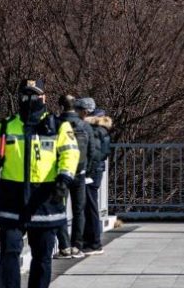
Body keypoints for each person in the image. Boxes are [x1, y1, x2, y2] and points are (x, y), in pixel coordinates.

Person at [0, 80, 79, 288]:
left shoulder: (58, 126)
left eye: (35, 95)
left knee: (42, 256)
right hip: (12, 199)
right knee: (9, 252)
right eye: (26, 95)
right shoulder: (5, 126)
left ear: (44, 98)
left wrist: (64, 180)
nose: (30, 100)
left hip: (45, 200)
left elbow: (70, 154)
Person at [53, 94, 97, 259]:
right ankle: (77, 246)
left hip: (60, 173)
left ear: (61, 106)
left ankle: (64, 247)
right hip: (80, 173)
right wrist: (87, 170)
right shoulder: (85, 126)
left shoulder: (56, 124)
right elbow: (92, 151)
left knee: (60, 210)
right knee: (79, 211)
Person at [76, 98, 111, 255]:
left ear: (86, 111)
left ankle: (94, 243)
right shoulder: (101, 127)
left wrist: (88, 171)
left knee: (89, 206)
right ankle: (91, 241)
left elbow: (95, 153)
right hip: (96, 170)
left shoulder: (94, 129)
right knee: (90, 205)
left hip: (92, 171)